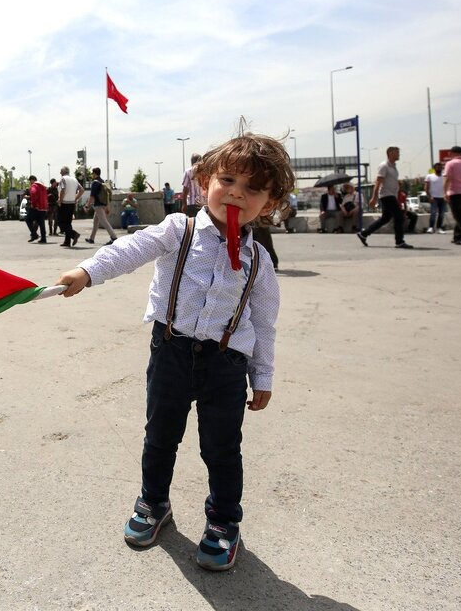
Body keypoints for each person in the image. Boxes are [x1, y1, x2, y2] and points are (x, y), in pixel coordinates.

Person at [56, 133, 292, 571]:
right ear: (204, 181)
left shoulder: (259, 261)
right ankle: (153, 502)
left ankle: (223, 522)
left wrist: (263, 377)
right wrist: (87, 271)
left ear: (271, 201)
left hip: (227, 364)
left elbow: (264, 324)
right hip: (171, 350)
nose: (237, 192)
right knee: (160, 434)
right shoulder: (177, 230)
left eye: (254, 188)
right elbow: (129, 249)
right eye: (228, 179)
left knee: (222, 447)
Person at [357, 146, 412, 249]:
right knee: (398, 216)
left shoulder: (394, 167)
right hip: (386, 195)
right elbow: (378, 182)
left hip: (392, 195)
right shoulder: (384, 166)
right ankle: (399, 241)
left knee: (385, 218)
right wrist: (374, 197)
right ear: (390, 153)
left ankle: (364, 234)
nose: (399, 154)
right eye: (397, 152)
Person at [85, 167, 118, 245]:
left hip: (98, 205)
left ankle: (114, 237)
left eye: (92, 173)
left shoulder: (95, 183)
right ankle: (91, 238)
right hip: (102, 204)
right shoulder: (102, 181)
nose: (91, 175)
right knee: (96, 221)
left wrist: (87, 205)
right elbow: (105, 195)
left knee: (104, 221)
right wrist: (106, 206)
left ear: (95, 173)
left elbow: (92, 196)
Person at [57, 166, 83, 247]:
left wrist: (60, 201)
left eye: (61, 171)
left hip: (64, 203)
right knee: (68, 223)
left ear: (63, 172)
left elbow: (62, 190)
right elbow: (82, 190)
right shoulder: (74, 179)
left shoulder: (63, 179)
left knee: (61, 223)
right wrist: (75, 198)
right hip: (72, 203)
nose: (60, 173)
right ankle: (67, 241)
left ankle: (74, 234)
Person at [423, 163, 447, 233]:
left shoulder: (444, 177)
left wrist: (446, 195)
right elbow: (426, 187)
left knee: (441, 214)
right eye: (437, 167)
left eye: (440, 167)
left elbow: (447, 186)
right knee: (433, 213)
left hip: (443, 198)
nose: (439, 168)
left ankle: (439, 228)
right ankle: (431, 227)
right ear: (434, 168)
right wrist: (429, 196)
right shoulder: (429, 176)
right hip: (434, 198)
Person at [27, 175, 48, 244]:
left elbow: (33, 193)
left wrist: (33, 203)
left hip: (36, 207)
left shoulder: (34, 185)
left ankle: (34, 234)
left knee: (28, 220)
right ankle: (43, 238)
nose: (30, 183)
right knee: (41, 223)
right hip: (43, 207)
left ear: (32, 180)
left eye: (30, 181)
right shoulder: (43, 186)